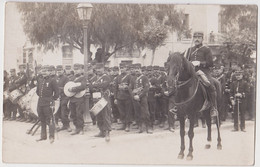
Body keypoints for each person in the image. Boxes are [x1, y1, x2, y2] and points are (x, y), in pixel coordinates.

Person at [185, 31, 218, 117]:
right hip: (191, 73)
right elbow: (185, 62)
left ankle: (213, 108)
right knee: (180, 84)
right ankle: (178, 107)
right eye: (195, 37)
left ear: (202, 39)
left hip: (203, 72)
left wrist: (200, 63)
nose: (197, 39)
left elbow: (210, 63)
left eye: (199, 37)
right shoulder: (189, 50)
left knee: (210, 85)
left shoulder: (206, 50)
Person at [36, 65, 59, 143]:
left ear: (49, 72)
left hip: (48, 103)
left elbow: (57, 92)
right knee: (42, 120)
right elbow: (37, 92)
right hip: (40, 102)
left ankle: (51, 137)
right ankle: (43, 136)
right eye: (43, 71)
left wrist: (52, 99)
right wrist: (42, 98)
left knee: (50, 120)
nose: (44, 72)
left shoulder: (52, 80)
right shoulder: (40, 80)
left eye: (46, 71)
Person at [90, 63, 112, 141]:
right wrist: (96, 85)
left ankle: (107, 133)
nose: (98, 70)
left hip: (104, 99)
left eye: (100, 68)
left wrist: (95, 85)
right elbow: (90, 87)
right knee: (98, 116)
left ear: (103, 69)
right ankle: (101, 131)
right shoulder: (93, 78)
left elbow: (104, 85)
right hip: (96, 98)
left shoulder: (107, 77)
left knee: (106, 115)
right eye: (97, 68)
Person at [130, 63, 153, 134]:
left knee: (146, 112)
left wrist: (139, 96)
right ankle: (140, 127)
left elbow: (146, 88)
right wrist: (133, 95)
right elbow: (130, 88)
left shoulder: (144, 78)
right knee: (137, 113)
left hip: (143, 98)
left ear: (140, 69)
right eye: (135, 69)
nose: (136, 70)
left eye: (138, 69)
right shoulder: (132, 78)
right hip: (135, 98)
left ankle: (148, 127)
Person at [114, 63, 133, 132]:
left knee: (128, 111)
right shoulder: (118, 77)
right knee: (121, 112)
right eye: (121, 68)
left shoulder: (129, 77)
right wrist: (115, 98)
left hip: (127, 96)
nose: (122, 69)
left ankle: (128, 125)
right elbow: (115, 88)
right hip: (120, 97)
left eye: (123, 68)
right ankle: (123, 124)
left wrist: (126, 87)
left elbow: (132, 86)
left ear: (126, 68)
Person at [68, 64, 86, 135]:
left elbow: (83, 86)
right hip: (72, 98)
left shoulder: (83, 78)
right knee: (73, 114)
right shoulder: (71, 79)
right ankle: (76, 128)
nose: (76, 71)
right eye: (75, 69)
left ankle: (81, 128)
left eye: (78, 69)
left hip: (79, 98)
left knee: (79, 113)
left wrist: (73, 89)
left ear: (81, 70)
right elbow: (67, 87)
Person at [55, 65, 71, 132]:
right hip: (58, 97)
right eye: (58, 70)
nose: (59, 71)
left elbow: (67, 88)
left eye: (60, 70)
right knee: (58, 112)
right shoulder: (56, 78)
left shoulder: (66, 78)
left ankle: (67, 125)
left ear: (63, 70)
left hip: (64, 97)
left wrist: (58, 89)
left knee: (64, 112)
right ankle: (64, 125)